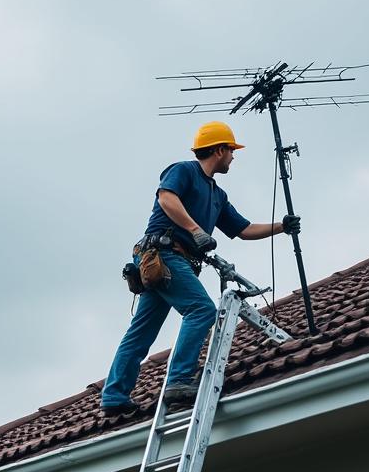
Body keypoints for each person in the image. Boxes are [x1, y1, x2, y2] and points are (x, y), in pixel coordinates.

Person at [99, 120, 300, 416]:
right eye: (231, 151)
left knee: (141, 332)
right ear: (219, 150)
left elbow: (243, 229)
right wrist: (195, 231)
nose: (234, 157)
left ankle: (114, 397)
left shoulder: (217, 196)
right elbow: (166, 198)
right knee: (202, 310)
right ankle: (179, 379)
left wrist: (281, 227)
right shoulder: (184, 171)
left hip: (172, 264)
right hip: (163, 256)